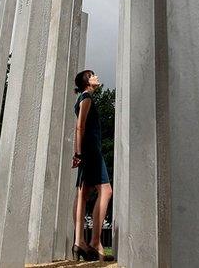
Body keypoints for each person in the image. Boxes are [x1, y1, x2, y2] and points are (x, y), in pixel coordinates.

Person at [71, 69, 113, 261]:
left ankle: (80, 242)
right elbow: (80, 127)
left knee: (84, 194)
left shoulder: (82, 98)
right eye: (93, 75)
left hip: (86, 150)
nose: (97, 77)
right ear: (88, 82)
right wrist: (79, 153)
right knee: (106, 190)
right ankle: (95, 242)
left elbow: (78, 127)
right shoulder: (86, 97)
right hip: (91, 151)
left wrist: (77, 153)